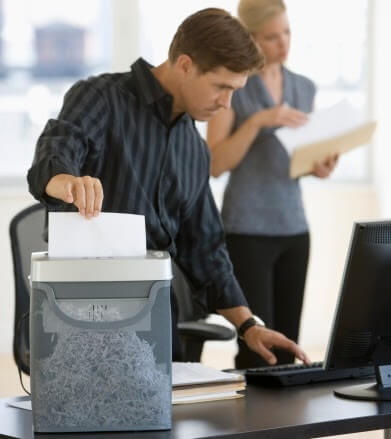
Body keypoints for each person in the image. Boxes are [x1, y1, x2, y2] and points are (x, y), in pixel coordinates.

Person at [27, 8, 309, 366]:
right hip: (84, 318)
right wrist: (66, 180)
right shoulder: (101, 97)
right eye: (221, 87)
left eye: (235, 91)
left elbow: (206, 250)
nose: (227, 103)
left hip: (156, 326)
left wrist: (249, 325)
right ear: (186, 65)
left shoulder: (193, 148)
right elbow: (56, 150)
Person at [207, 0, 337, 368]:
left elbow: (295, 161)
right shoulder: (234, 85)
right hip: (246, 230)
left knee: (287, 347)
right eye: (271, 36)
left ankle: (289, 426)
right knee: (256, 349)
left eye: (287, 32)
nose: (283, 43)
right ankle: (255, 426)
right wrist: (257, 121)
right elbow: (215, 163)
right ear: (250, 39)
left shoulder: (303, 87)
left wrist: (319, 167)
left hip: (294, 227)